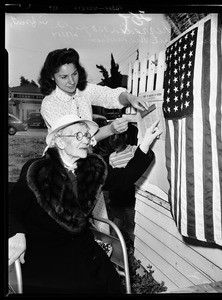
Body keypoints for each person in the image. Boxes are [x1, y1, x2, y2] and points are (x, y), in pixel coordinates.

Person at [8, 114, 161, 294]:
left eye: (87, 135)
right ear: (61, 142)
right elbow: (11, 208)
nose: (86, 140)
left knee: (108, 282)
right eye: (78, 136)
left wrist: (144, 145)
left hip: (82, 248)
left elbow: (123, 179)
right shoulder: (37, 171)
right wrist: (16, 232)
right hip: (45, 251)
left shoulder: (94, 168)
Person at [39, 48, 149, 144]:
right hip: (61, 161)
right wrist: (111, 129)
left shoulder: (85, 90)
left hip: (86, 157)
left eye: (74, 74)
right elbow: (76, 141)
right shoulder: (50, 104)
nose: (72, 81)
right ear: (52, 77)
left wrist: (130, 98)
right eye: (64, 77)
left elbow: (110, 96)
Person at [107, 126, 138, 240]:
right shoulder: (112, 156)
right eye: (110, 138)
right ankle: (114, 244)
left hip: (130, 195)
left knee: (132, 222)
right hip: (116, 196)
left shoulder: (133, 150)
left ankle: (134, 247)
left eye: (116, 137)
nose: (113, 141)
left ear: (125, 137)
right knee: (117, 221)